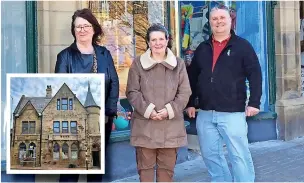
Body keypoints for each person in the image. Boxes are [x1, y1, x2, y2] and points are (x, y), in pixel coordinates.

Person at [186, 6, 262, 182]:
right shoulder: (202, 48)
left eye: (222, 18)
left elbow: (255, 74)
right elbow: (193, 77)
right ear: (210, 22)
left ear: (230, 20)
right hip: (205, 112)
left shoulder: (242, 46)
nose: (218, 21)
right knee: (211, 155)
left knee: (239, 156)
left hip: (232, 112)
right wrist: (190, 102)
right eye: (214, 19)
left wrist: (254, 102)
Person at [54, 8, 119, 182]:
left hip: (100, 118)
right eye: (78, 27)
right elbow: (60, 90)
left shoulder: (104, 53)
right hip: (73, 122)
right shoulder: (64, 56)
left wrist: (108, 112)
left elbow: (114, 83)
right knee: (70, 165)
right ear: (73, 30)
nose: (82, 30)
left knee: (95, 166)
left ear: (94, 28)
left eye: (86, 26)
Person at [126, 23, 192, 182]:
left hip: (171, 127)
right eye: (153, 39)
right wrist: (149, 110)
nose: (158, 43)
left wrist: (169, 110)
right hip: (145, 128)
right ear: (148, 42)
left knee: (166, 173)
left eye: (161, 39)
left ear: (167, 40)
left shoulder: (179, 64)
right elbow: (132, 92)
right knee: (145, 172)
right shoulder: (137, 63)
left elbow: (185, 92)